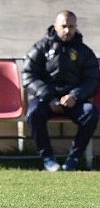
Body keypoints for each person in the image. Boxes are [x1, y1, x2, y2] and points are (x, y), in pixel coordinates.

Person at [22, 11, 99, 172]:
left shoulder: (84, 52)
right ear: (55, 26)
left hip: (73, 101)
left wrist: (74, 96)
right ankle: (47, 158)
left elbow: (92, 80)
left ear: (76, 27)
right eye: (63, 26)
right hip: (46, 99)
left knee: (91, 113)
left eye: (71, 27)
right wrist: (49, 97)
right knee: (34, 113)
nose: (67, 30)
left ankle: (74, 157)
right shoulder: (41, 48)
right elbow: (28, 75)